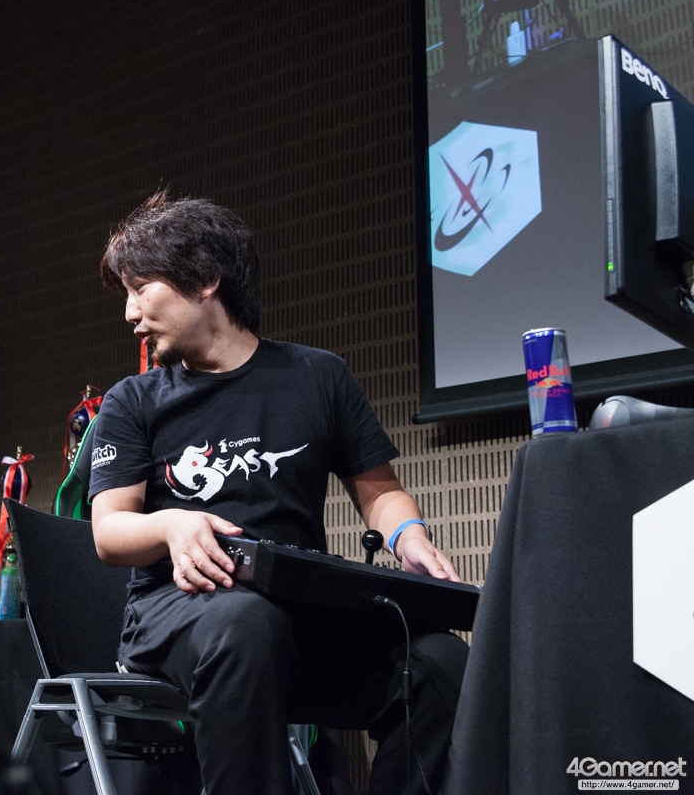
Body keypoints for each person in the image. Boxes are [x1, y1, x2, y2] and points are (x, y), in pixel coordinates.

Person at [88, 192, 470, 795]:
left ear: (205, 280)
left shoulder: (319, 376)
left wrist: (408, 535)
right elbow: (109, 531)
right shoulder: (132, 401)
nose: (131, 312)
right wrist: (170, 524)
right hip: (181, 613)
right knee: (246, 624)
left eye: (141, 289)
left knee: (440, 665)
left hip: (303, 615)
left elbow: (381, 493)